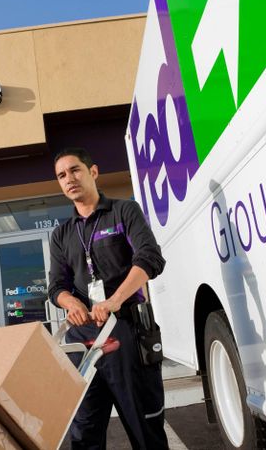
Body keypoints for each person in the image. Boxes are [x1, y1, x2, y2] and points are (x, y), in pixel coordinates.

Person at [48, 147, 169, 450]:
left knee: (145, 429)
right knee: (84, 432)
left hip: (126, 328)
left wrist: (115, 300)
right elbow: (56, 286)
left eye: (75, 170)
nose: (69, 179)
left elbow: (150, 258)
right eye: (61, 175)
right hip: (84, 342)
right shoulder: (61, 235)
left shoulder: (124, 211)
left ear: (93, 172)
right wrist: (70, 302)